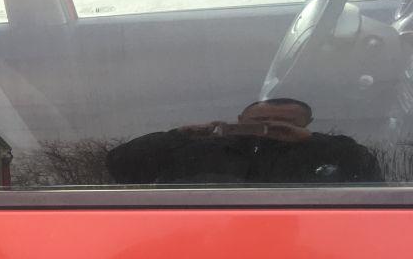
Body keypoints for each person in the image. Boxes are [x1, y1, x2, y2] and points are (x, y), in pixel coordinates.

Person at [107, 97, 382, 184]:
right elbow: (120, 167)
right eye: (258, 121)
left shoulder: (325, 153)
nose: (268, 128)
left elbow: (368, 175)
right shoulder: (200, 150)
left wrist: (311, 142)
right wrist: (177, 136)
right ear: (240, 119)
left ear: (306, 125)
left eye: (283, 123)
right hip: (201, 235)